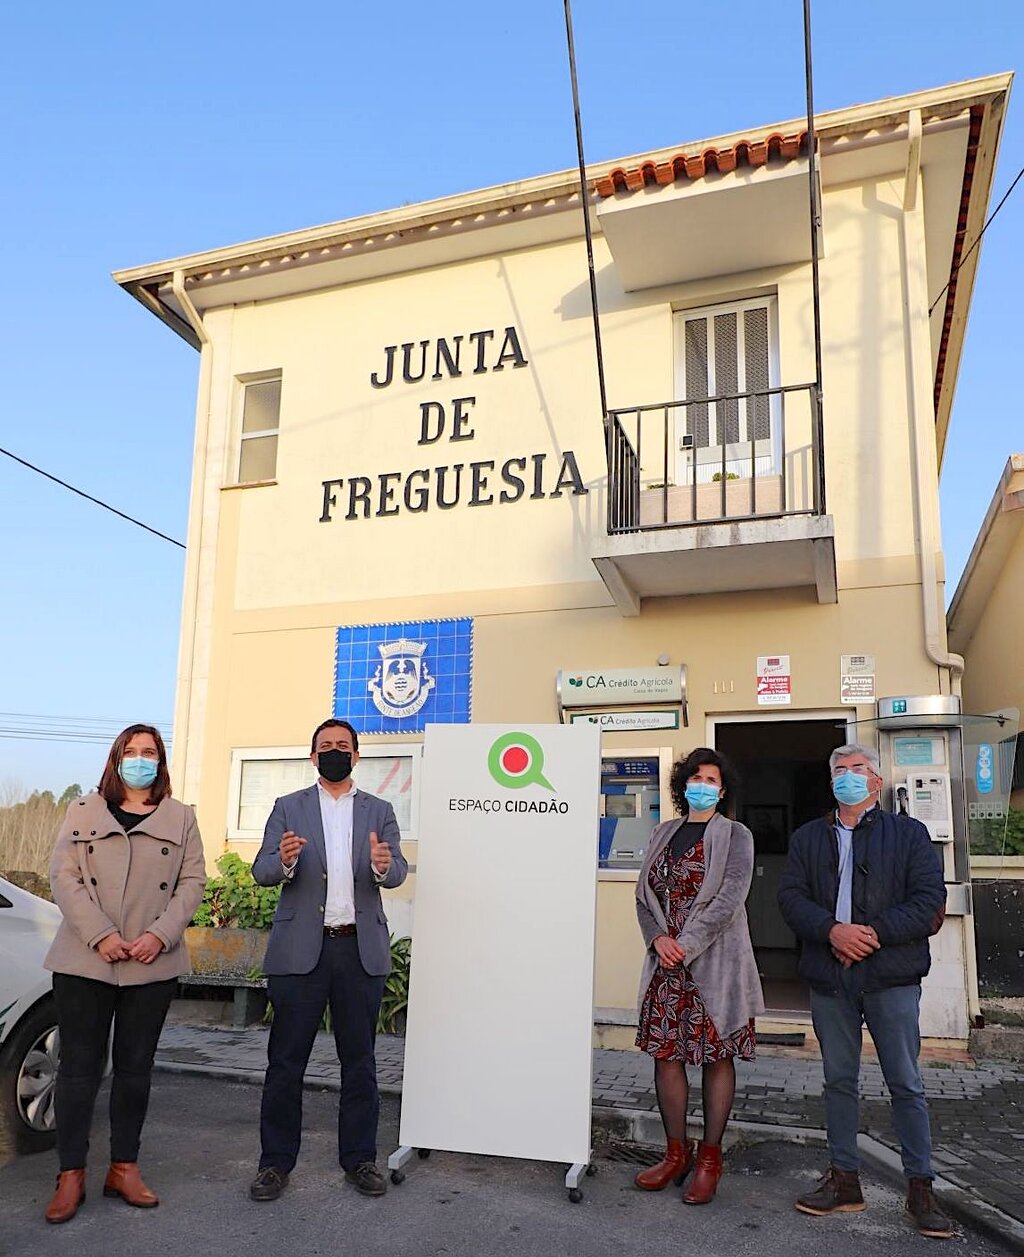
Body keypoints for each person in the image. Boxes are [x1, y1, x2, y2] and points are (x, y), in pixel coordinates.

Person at [777, 743, 952, 1239]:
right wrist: (832, 930)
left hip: (890, 975)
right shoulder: (808, 837)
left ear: (877, 780)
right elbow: (791, 897)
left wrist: (870, 933)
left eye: (859, 769)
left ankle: (921, 1188)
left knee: (906, 1082)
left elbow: (928, 900)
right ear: (830, 781)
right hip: (830, 975)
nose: (848, 776)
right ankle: (844, 1180)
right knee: (838, 1080)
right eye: (840, 770)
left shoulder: (909, 834)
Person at [43, 724, 207, 1224]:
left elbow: (192, 882)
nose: (140, 760)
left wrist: (160, 935)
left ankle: (123, 1168)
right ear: (116, 760)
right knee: (77, 1069)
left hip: (151, 960)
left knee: (135, 1071)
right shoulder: (83, 809)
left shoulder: (181, 817)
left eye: (149, 752)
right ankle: (70, 1174)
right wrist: (100, 935)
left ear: (161, 761)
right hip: (85, 958)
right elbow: (63, 876)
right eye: (130, 752)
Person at [249, 718, 408, 1203]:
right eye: (326, 746)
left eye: (343, 745)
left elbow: (397, 871)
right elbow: (262, 870)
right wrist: (286, 860)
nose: (335, 751)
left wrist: (383, 867)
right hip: (301, 951)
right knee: (285, 1063)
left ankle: (360, 1159)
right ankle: (275, 1163)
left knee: (359, 1063)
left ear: (356, 756)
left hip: (358, 950)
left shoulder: (380, 810)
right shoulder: (288, 806)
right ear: (313, 756)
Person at [634, 747, 764, 1204]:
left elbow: (729, 899)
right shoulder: (663, 832)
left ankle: (710, 1160)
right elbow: (643, 896)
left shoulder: (736, 835)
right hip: (666, 967)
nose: (702, 786)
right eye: (695, 778)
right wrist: (657, 939)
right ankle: (676, 1154)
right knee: (666, 1057)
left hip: (714, 966)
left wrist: (685, 945)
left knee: (716, 1057)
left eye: (711, 780)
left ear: (722, 791)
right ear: (682, 785)